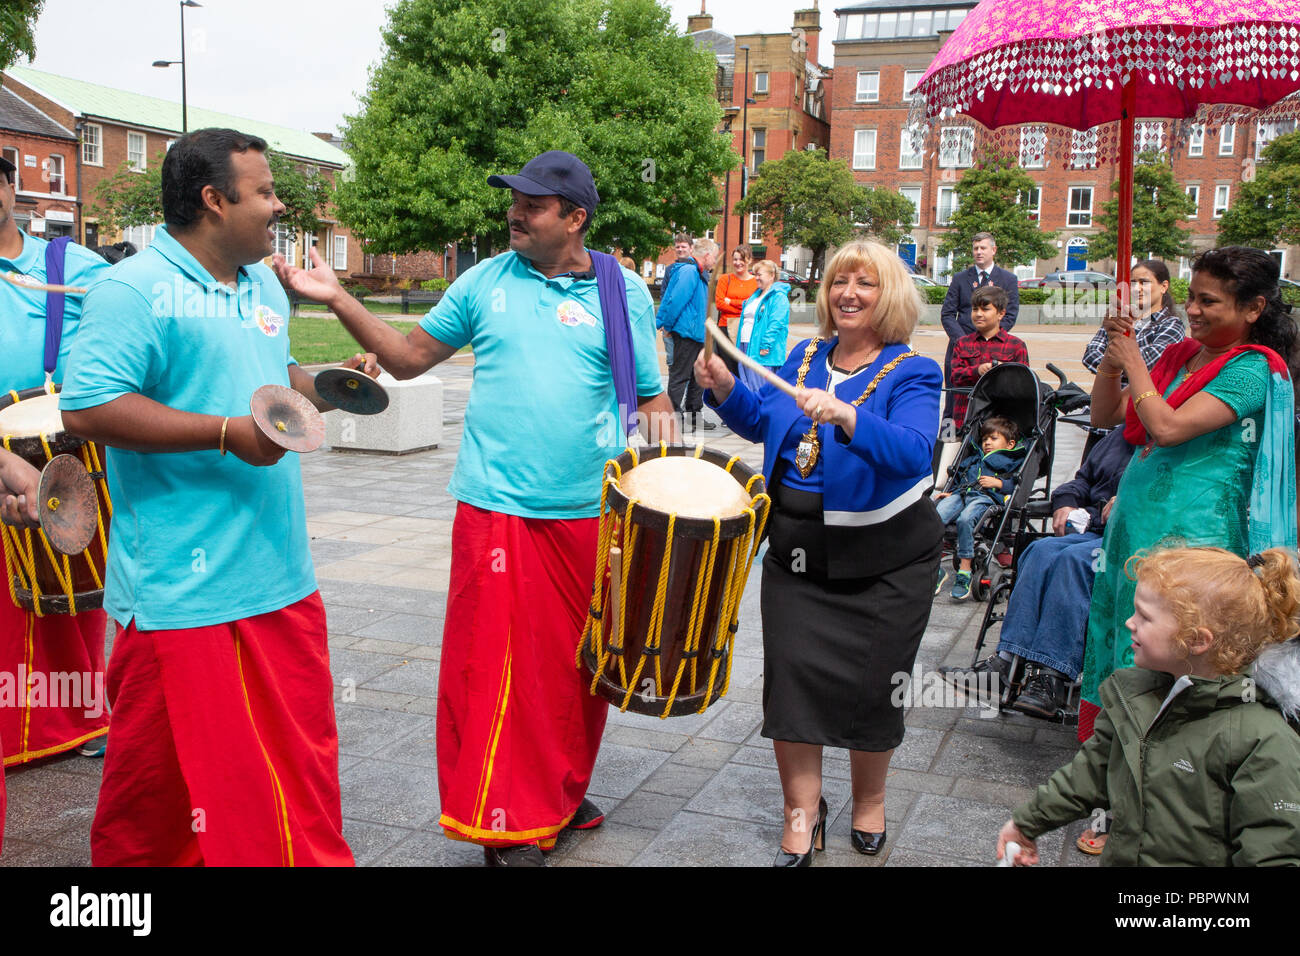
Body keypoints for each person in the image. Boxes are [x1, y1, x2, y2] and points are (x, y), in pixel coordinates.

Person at [273, 149, 678, 867]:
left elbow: (649, 396)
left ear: (575, 218)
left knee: (581, 671)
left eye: (533, 204)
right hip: (500, 511)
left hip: (593, 513)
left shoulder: (623, 291)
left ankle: (556, 788)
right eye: (513, 200)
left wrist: (665, 466)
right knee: (498, 674)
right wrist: (335, 297)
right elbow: (404, 358)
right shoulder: (484, 280)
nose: (515, 213)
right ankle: (509, 820)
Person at [59, 128, 356, 866]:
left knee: (296, 784)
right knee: (157, 810)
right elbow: (88, 408)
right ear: (214, 201)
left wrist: (332, 385)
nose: (278, 205)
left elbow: (276, 371)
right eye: (263, 192)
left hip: (279, 577)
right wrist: (224, 432)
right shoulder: (128, 291)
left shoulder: (259, 284)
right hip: (182, 596)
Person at [694, 239, 943, 865]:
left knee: (875, 690)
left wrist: (848, 417)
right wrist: (725, 389)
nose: (848, 294)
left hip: (886, 561)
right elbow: (765, 422)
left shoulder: (914, 370)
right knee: (793, 688)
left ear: (890, 297)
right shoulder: (804, 356)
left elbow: (913, 452)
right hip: (797, 557)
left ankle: (868, 801)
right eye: (839, 282)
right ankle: (801, 812)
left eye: (865, 283)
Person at [1080, 245, 1298, 851]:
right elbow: (1109, 416)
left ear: (1254, 308)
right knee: (1128, 647)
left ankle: (1165, 798)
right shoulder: (1178, 355)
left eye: (1209, 301)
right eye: (1192, 296)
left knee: (1178, 660)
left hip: (1196, 539)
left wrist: (1135, 361)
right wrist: (1112, 360)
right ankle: (1110, 783)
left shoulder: (1254, 368)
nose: (1193, 311)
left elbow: (1169, 427)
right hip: (1137, 529)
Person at [997, 546, 1300, 866]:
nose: (1130, 622)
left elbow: (1274, 847)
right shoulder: (1136, 696)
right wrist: (1027, 823)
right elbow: (1090, 775)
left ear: (1196, 640)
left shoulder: (1262, 740)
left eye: (1145, 616)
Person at [0, 154, 113, 771]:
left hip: (63, 437)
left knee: (73, 590)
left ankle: (81, 716)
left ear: (9, 187)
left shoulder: (70, 265)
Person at [939, 427, 1135, 714]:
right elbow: (1081, 482)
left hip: (1125, 542)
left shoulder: (1162, 442)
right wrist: (1066, 503)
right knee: (1038, 551)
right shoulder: (1120, 436)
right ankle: (1007, 661)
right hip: (1091, 531)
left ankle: (1051, 676)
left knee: (1074, 561)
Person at [934, 416, 1026, 601]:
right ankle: (934, 568)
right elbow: (960, 476)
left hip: (986, 497)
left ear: (1010, 444)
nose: (987, 443)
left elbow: (1016, 485)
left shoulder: (1011, 460)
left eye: (993, 438)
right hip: (961, 493)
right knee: (935, 517)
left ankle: (965, 570)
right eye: (984, 439)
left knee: (966, 519)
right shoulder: (975, 458)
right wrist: (950, 491)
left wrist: (999, 483)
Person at [940, 232, 1020, 421]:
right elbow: (947, 314)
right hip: (961, 348)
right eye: (975, 248)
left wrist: (992, 337)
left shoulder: (1008, 279)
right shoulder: (960, 279)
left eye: (983, 248)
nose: (978, 252)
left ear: (993, 250)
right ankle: (948, 443)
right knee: (954, 402)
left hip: (995, 349)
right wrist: (964, 341)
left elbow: (1010, 314)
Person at [1081, 259, 1184, 378]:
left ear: (1164, 286)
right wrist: (1120, 366)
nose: (1137, 288)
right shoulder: (1121, 317)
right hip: (1107, 393)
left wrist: (1108, 368)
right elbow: (1090, 354)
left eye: (1144, 282)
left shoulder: (1171, 324)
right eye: (1133, 283)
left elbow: (1149, 361)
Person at [658, 237, 719, 431]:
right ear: (707, 255)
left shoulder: (697, 272)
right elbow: (675, 300)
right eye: (715, 258)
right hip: (687, 333)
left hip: (696, 333)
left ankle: (694, 417)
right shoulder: (689, 271)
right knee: (680, 377)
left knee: (696, 378)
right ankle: (674, 418)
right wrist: (667, 326)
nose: (715, 262)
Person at [948, 285, 1029, 428]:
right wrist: (977, 370)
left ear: (1001, 313)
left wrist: (1004, 374)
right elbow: (955, 377)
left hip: (1000, 425)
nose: (978, 314)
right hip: (965, 420)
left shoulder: (1016, 345)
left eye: (985, 309)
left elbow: (1023, 388)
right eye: (975, 309)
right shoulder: (962, 343)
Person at [734, 259, 790, 394]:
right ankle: (749, 414)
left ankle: (761, 414)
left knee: (759, 388)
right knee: (746, 385)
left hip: (761, 349)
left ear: (771, 276)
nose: (756, 277)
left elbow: (776, 323)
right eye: (755, 274)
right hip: (745, 345)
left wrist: (766, 344)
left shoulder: (778, 297)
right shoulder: (756, 295)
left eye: (760, 274)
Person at [658, 233, 693, 368]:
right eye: (677, 247)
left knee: (687, 363)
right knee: (672, 360)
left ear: (691, 248)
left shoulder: (697, 269)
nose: (680, 249)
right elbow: (664, 295)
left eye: (683, 246)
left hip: (687, 326)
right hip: (670, 325)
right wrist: (662, 320)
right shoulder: (669, 270)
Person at [715, 245, 757, 346]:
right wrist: (744, 309)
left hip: (749, 327)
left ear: (750, 260)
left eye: (742, 259)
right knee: (727, 361)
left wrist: (731, 302)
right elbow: (719, 304)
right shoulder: (725, 279)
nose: (738, 263)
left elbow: (755, 305)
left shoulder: (756, 282)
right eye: (735, 259)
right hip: (725, 327)